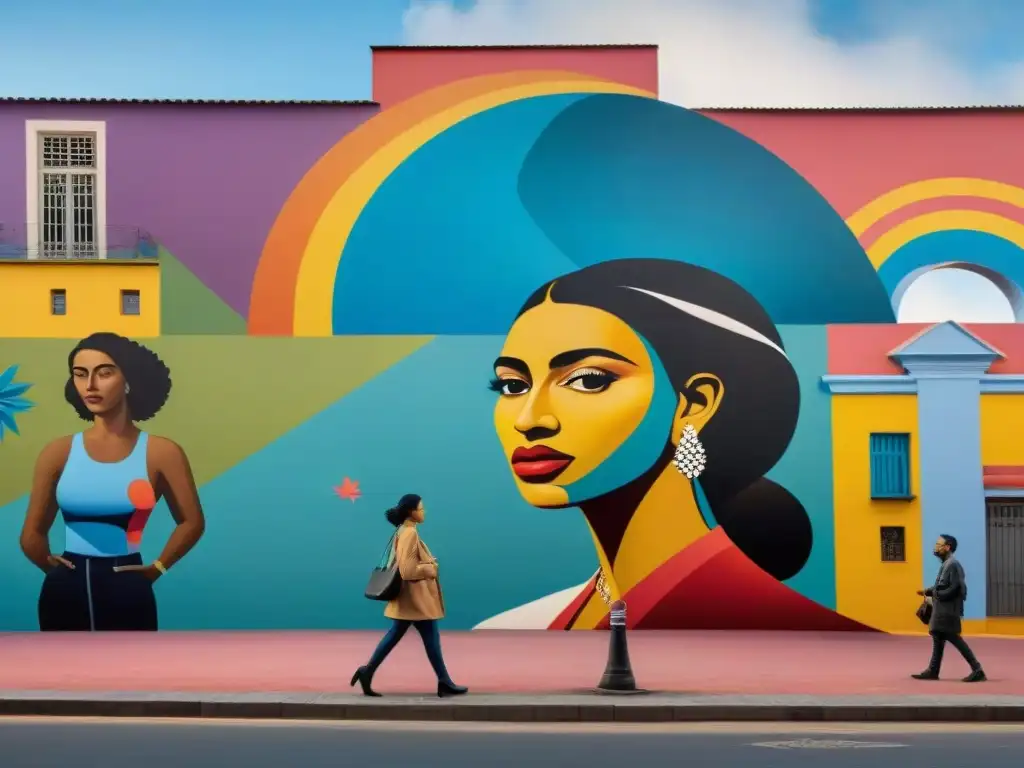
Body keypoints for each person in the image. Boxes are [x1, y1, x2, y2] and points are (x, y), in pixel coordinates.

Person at [477, 258, 869, 631]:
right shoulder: (555, 613)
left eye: (589, 379)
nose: (528, 419)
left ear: (694, 404)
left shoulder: (771, 621)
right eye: (513, 385)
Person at [19, 332, 206, 631]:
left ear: (129, 379)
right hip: (64, 591)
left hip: (127, 585)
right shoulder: (58, 452)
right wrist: (54, 572)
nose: (90, 385)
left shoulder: (162, 452)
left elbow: (192, 522)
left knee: (131, 675)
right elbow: (31, 533)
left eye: (104, 373)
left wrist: (156, 569)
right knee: (64, 675)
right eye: (80, 374)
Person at [350, 494, 468, 697]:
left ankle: (368, 671)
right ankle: (444, 681)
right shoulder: (409, 534)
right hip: (415, 599)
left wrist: (426, 560)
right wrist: (431, 568)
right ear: (412, 512)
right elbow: (408, 571)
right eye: (421, 509)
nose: (424, 512)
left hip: (412, 599)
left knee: (410, 636)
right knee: (427, 637)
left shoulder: (404, 531)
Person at [913, 534, 986, 682]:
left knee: (955, 639)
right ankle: (933, 670)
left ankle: (978, 670)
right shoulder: (946, 564)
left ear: (948, 547)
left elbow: (957, 588)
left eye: (939, 544)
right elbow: (942, 586)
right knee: (938, 638)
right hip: (942, 611)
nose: (936, 547)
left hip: (947, 612)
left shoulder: (953, 564)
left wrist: (936, 594)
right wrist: (927, 591)